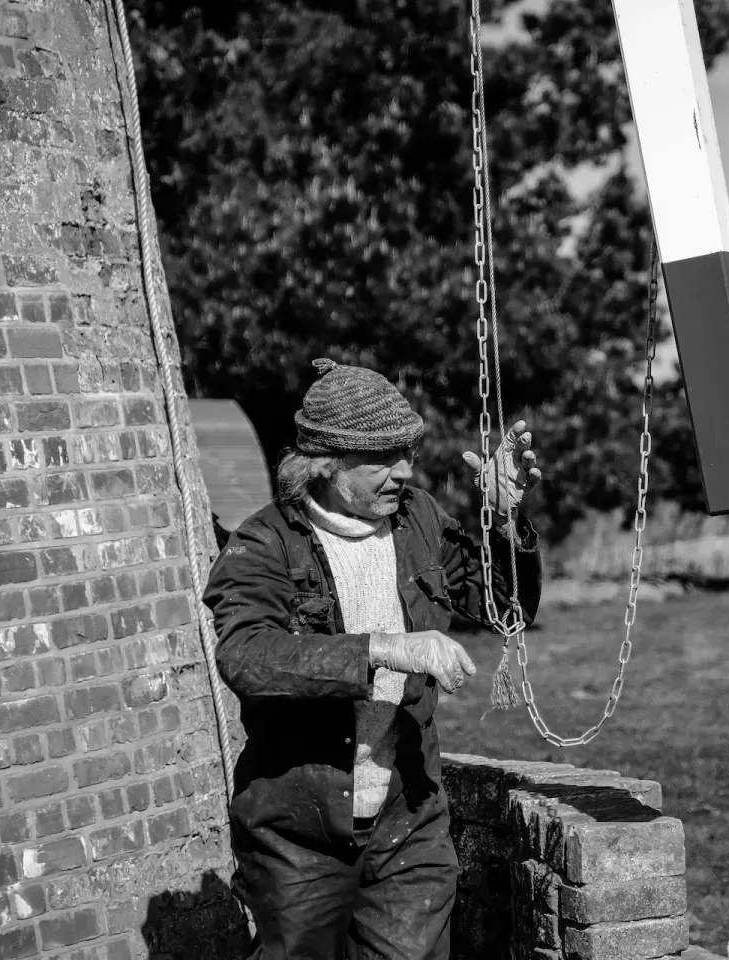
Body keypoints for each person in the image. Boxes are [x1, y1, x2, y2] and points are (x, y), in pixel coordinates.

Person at [203, 357, 544, 960]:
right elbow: (246, 656)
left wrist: (506, 521)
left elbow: (504, 609)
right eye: (383, 458)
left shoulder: (419, 518)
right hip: (296, 836)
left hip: (407, 821)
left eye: (406, 453)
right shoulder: (264, 542)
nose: (404, 472)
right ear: (327, 463)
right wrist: (387, 649)